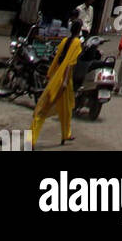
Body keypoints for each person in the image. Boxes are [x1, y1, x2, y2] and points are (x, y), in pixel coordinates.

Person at [32, 17, 83, 146]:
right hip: (63, 81)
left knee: (63, 110)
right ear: (80, 30)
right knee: (49, 110)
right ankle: (32, 140)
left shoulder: (65, 40)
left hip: (57, 78)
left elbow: (57, 59)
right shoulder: (77, 43)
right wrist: (65, 81)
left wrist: (50, 75)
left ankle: (66, 134)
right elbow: (69, 64)